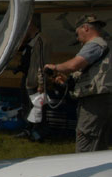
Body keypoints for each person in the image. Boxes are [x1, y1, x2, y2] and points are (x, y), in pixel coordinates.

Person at [45, 14, 112, 152]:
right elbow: (89, 71)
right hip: (101, 99)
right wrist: (67, 81)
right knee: (98, 142)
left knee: (86, 139)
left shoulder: (94, 44)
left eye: (77, 33)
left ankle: (84, 170)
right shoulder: (102, 45)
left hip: (94, 101)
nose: (77, 38)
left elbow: (74, 65)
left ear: (85, 28)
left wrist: (55, 67)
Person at [15, 18, 51, 141]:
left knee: (38, 108)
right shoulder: (30, 42)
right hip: (28, 79)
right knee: (28, 107)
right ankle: (29, 129)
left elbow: (42, 64)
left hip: (36, 81)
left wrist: (41, 83)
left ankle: (38, 132)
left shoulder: (41, 41)